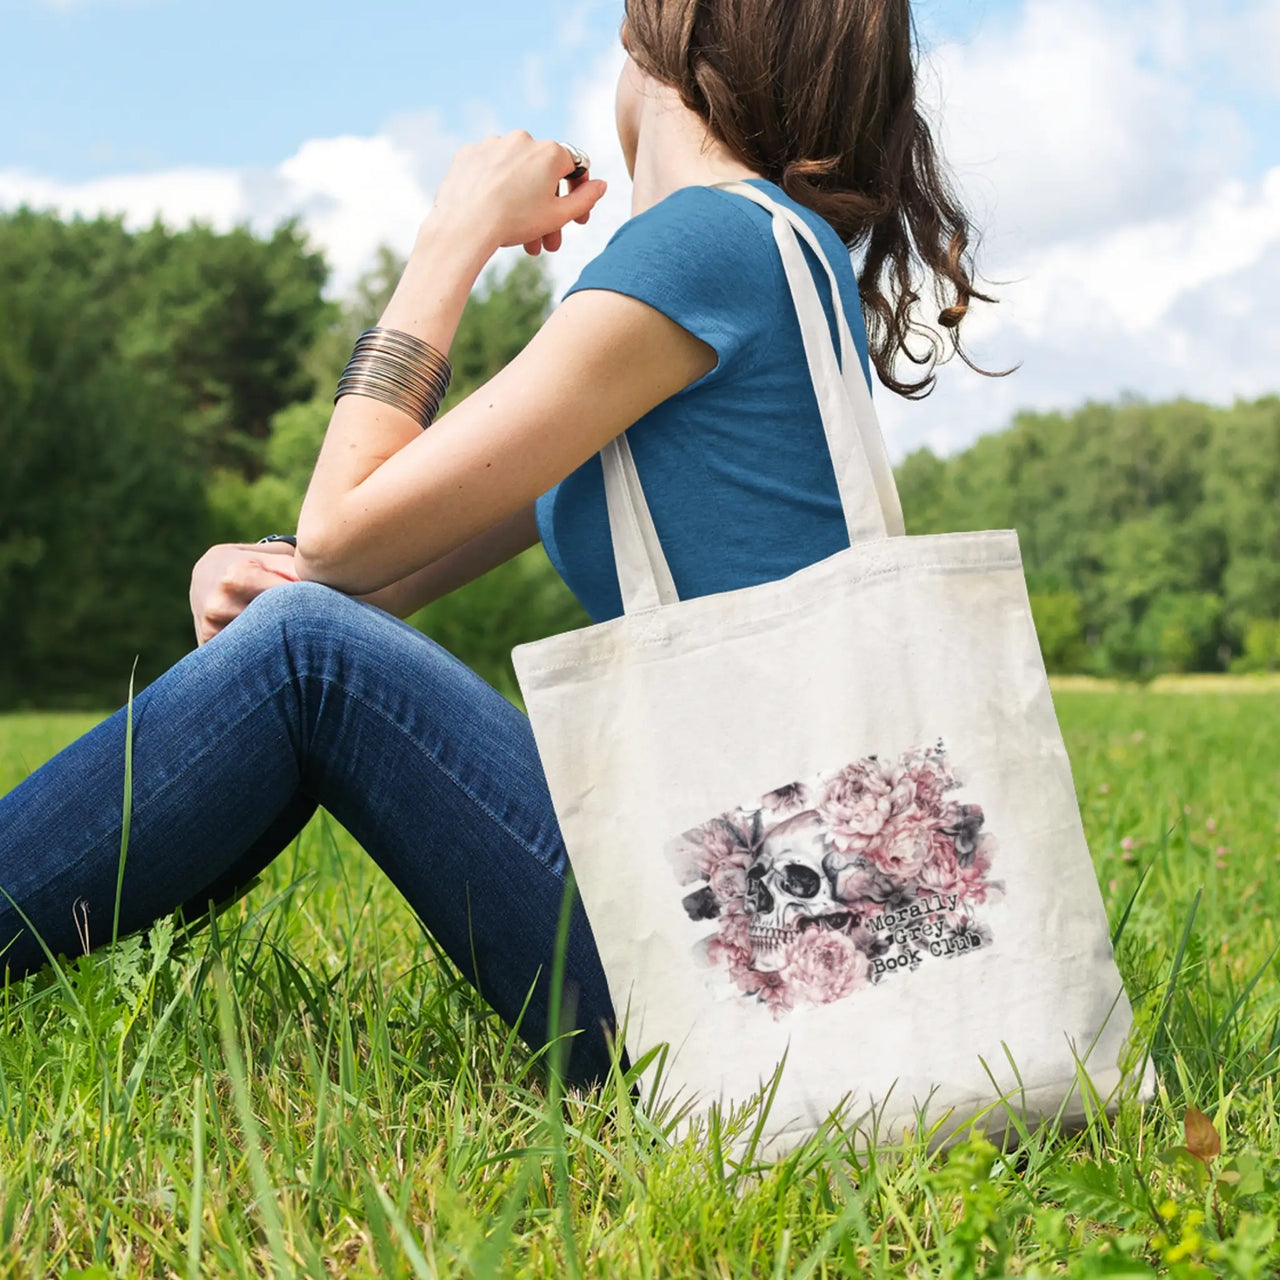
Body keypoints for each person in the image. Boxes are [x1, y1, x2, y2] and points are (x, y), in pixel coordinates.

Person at [0, 0, 994, 1088]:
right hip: (799, 933)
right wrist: (261, 568)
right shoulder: (767, 259)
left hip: (724, 966)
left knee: (305, 656)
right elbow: (357, 569)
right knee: (302, 639)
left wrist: (453, 236)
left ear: (662, 43)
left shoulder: (703, 244)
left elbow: (335, 559)